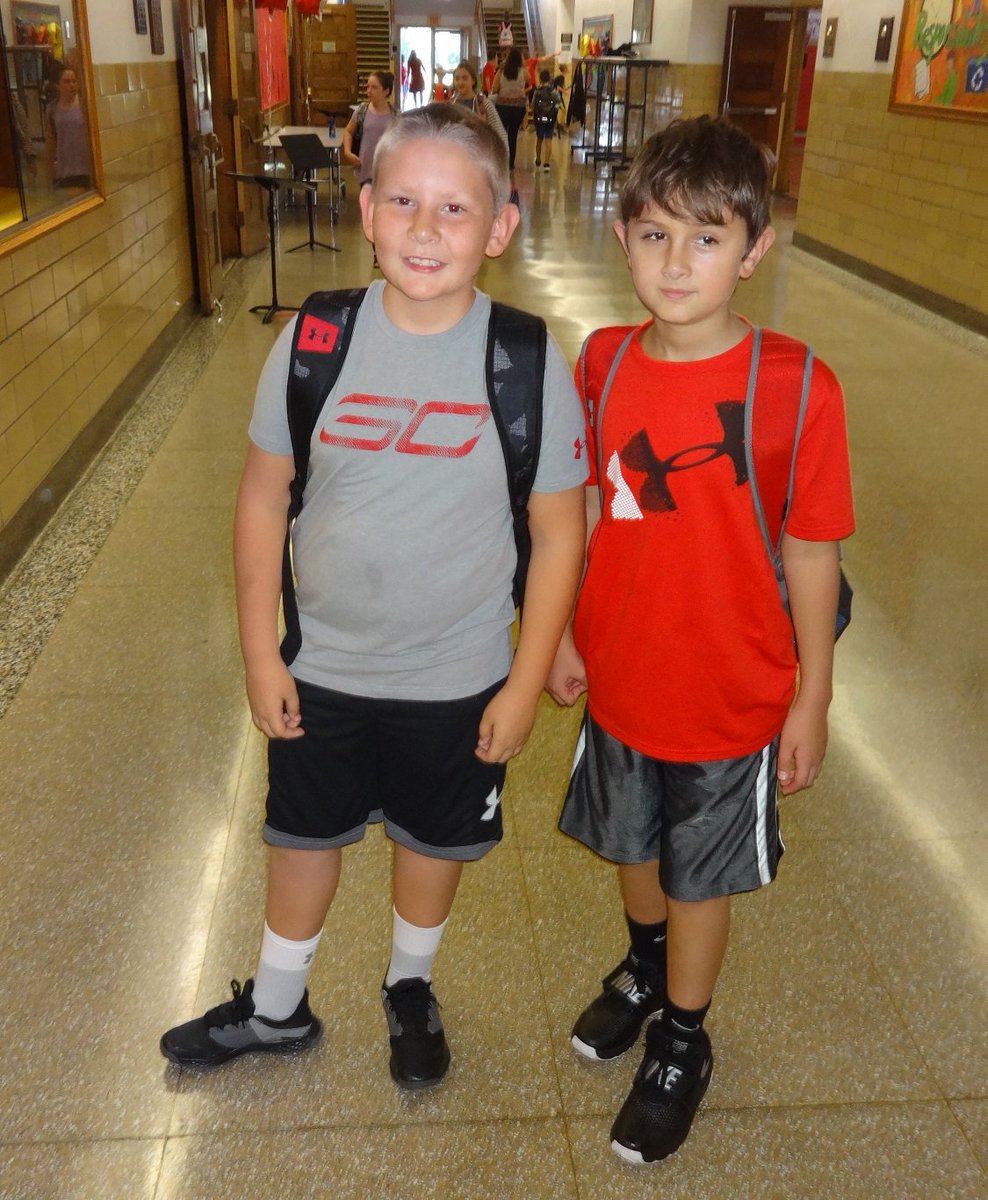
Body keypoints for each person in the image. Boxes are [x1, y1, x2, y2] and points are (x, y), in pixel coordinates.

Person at [159, 104, 588, 1091]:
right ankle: (276, 1007)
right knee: (301, 834)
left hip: (460, 675)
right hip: (325, 667)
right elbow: (264, 498)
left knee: (432, 839)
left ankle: (408, 985)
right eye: (404, 202)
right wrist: (262, 652)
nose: (427, 229)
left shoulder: (523, 359)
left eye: (455, 208)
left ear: (501, 226)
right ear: (365, 211)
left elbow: (560, 531)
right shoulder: (315, 340)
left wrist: (524, 681)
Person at [547, 116, 854, 1164]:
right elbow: (586, 508)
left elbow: (811, 553)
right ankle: (644, 968)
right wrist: (556, 633)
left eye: (708, 238)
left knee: (695, 875)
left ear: (754, 248)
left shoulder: (798, 387)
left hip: (731, 693)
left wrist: (810, 695)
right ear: (623, 232)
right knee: (631, 849)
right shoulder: (601, 362)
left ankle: (683, 1038)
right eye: (656, 235)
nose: (676, 264)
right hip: (623, 674)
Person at [341, 70, 397, 189]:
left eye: (374, 87)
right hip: (365, 169)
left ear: (386, 91)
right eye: (368, 87)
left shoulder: (395, 116)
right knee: (366, 204)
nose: (369, 91)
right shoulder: (361, 111)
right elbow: (348, 132)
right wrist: (347, 152)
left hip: (386, 170)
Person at [45, 64, 90, 189]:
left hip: (86, 170)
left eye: (74, 81)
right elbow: (51, 140)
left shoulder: (84, 106)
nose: (72, 85)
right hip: (64, 171)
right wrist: (51, 170)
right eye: (66, 82)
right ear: (57, 86)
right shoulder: (52, 109)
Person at [449, 60, 508, 151]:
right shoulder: (450, 105)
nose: (460, 82)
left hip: (479, 155)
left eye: (465, 78)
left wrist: (501, 160)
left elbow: (500, 134)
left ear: (473, 80)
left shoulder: (484, 104)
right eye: (457, 79)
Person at [492, 47, 526, 170]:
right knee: (513, 135)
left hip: (502, 107)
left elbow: (494, 88)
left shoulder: (501, 71)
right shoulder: (524, 71)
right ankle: (510, 163)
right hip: (518, 108)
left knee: (502, 134)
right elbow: (529, 83)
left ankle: (501, 160)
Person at [531, 69, 562, 170]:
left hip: (539, 118)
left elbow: (533, 105)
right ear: (549, 79)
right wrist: (554, 111)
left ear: (540, 79)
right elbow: (558, 102)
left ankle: (538, 159)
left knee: (539, 139)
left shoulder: (537, 91)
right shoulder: (553, 92)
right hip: (550, 119)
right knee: (548, 140)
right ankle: (547, 163)